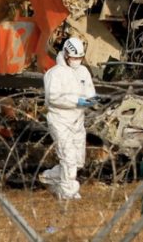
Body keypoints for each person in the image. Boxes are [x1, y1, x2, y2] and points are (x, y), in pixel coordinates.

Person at [40, 36, 96, 200]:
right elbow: (53, 98)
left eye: (80, 58)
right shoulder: (54, 74)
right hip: (60, 120)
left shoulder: (83, 71)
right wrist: (76, 101)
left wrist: (92, 99)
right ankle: (68, 192)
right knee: (68, 157)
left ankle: (50, 176)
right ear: (66, 55)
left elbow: (89, 90)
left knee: (78, 160)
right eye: (74, 58)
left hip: (77, 121)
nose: (77, 61)